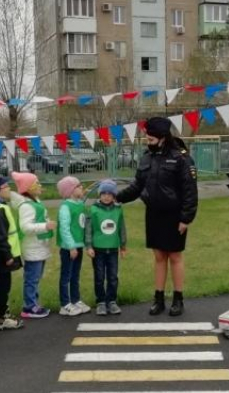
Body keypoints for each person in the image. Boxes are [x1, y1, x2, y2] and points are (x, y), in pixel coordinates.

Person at [117, 116, 198, 316]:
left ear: (163, 138)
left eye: (151, 139)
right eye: (147, 139)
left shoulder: (181, 157)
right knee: (159, 256)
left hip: (175, 215)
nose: (148, 142)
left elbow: (190, 190)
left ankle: (178, 299)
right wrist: (117, 197)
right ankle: (159, 299)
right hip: (153, 214)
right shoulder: (146, 157)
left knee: (175, 256)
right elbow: (138, 185)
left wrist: (186, 218)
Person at [9, 171, 56, 319]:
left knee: (36, 277)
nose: (40, 185)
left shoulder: (35, 201)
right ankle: (29, 307)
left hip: (39, 246)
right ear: (28, 188)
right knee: (32, 278)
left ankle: (34, 303)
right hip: (33, 248)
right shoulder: (27, 206)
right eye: (37, 183)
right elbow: (26, 227)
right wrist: (45, 226)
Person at [0, 174, 24, 330]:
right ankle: (2, 316)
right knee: (2, 286)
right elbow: (0, 235)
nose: (9, 189)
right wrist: (7, 255)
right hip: (2, 257)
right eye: (6, 186)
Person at [86, 179, 127, 316]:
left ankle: (112, 301)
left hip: (113, 250)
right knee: (99, 277)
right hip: (98, 250)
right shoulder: (93, 209)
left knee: (113, 277)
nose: (106, 196)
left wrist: (123, 245)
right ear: (99, 194)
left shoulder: (118, 210)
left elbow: (121, 228)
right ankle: (101, 302)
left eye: (110, 194)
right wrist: (89, 246)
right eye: (103, 193)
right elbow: (89, 230)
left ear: (114, 195)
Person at [56, 176, 91, 317]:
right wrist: (71, 247)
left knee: (75, 275)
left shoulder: (80, 204)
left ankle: (76, 300)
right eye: (79, 186)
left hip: (78, 246)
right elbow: (64, 228)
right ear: (71, 190)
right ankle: (65, 304)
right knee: (66, 276)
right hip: (69, 248)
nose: (82, 188)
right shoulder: (66, 206)